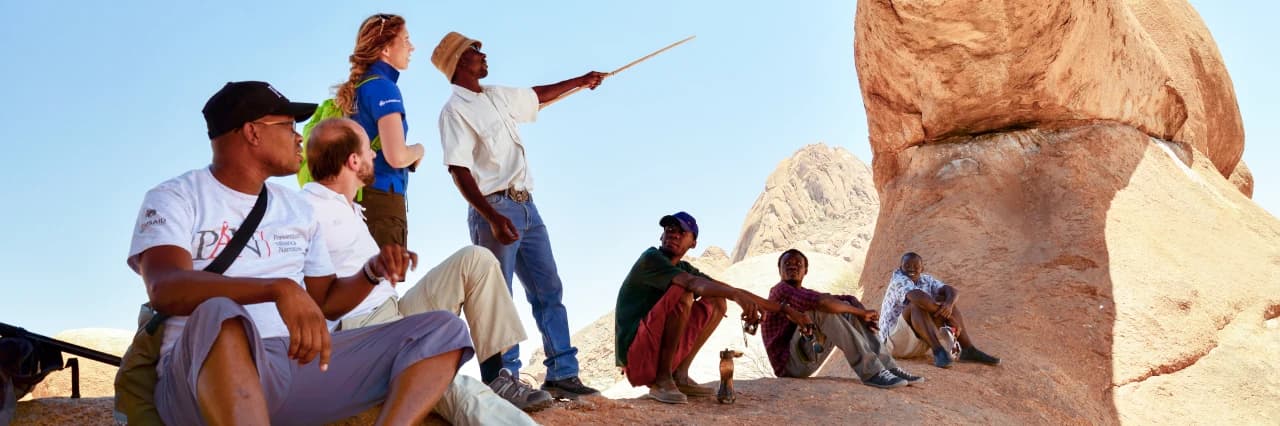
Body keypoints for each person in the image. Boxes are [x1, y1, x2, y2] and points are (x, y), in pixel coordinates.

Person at [127, 81, 472, 424]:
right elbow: (165, 288)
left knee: (442, 329)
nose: (300, 137)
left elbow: (326, 301)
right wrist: (277, 289)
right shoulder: (175, 197)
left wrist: (371, 272)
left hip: (292, 366)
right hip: (199, 375)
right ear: (252, 132)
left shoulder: (295, 208)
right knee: (220, 314)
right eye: (289, 125)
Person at [300, 117, 552, 416]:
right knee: (455, 388)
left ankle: (496, 375)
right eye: (369, 150)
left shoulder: (347, 206)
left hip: (395, 312)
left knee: (476, 259)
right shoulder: (309, 209)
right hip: (364, 332)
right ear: (354, 161)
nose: (375, 155)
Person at [431, 31, 606, 399]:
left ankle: (562, 372)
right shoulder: (454, 111)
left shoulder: (494, 95)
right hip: (494, 208)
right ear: (461, 60)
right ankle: (504, 380)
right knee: (497, 295)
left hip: (528, 206)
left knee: (549, 289)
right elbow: (459, 171)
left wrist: (582, 80)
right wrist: (492, 217)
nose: (484, 54)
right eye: (476, 51)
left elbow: (537, 96)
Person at [614, 212, 811, 404]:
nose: (673, 234)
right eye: (669, 229)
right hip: (636, 357)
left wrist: (785, 309)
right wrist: (736, 296)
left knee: (717, 299)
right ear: (661, 235)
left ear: (693, 243)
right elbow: (691, 283)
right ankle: (662, 380)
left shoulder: (682, 268)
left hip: (652, 352)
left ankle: (679, 375)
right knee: (684, 292)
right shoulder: (651, 258)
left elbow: (728, 289)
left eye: (681, 232)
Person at [762, 249, 920, 388]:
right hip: (790, 365)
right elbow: (823, 302)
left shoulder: (801, 292)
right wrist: (860, 313)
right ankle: (871, 372)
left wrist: (860, 310)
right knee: (821, 310)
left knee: (842, 306)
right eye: (787, 263)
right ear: (779, 269)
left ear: (806, 270)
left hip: (805, 356)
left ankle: (889, 367)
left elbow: (843, 299)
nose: (792, 266)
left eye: (798, 263)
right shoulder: (780, 290)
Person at [334, 13, 425, 248]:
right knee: (383, 282)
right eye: (405, 40)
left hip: (355, 200)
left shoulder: (358, 88)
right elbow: (396, 157)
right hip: (383, 202)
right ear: (385, 49)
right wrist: (418, 150)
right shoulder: (384, 88)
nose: (411, 47)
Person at [878, 252, 1001, 368]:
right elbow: (918, 298)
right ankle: (938, 351)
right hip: (894, 344)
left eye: (916, 266)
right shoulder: (898, 280)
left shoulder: (926, 279)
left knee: (945, 300)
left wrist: (948, 305)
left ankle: (968, 349)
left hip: (916, 342)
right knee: (916, 305)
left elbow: (952, 291)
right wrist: (949, 317)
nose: (911, 269)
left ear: (922, 268)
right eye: (907, 266)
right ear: (900, 268)